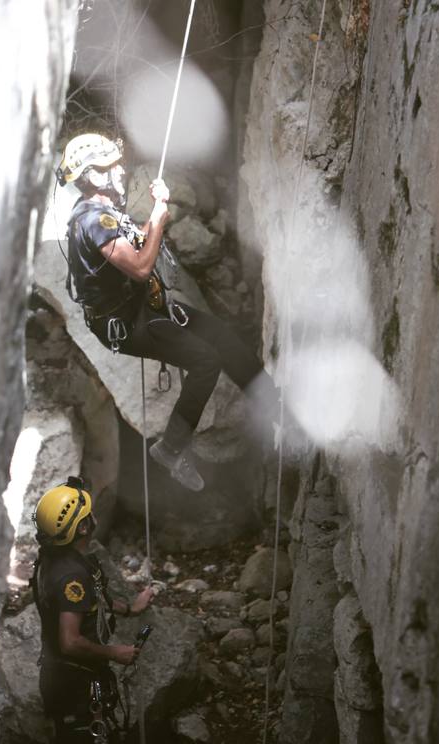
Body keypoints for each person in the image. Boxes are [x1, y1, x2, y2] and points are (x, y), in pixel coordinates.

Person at [57, 133, 282, 492]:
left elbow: (139, 245)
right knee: (206, 361)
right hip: (128, 324)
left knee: (220, 336)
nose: (120, 169)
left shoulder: (106, 213)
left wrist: (156, 212)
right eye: (112, 166)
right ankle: (172, 449)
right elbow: (141, 267)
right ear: (94, 176)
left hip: (143, 308)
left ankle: (273, 405)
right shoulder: (93, 221)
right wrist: (159, 218)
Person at [32, 476, 152, 744]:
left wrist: (128, 606)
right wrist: (114, 653)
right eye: (87, 510)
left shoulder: (73, 560)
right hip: (73, 688)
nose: (94, 512)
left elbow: (92, 602)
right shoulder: (67, 574)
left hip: (89, 686)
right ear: (82, 527)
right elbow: (70, 639)